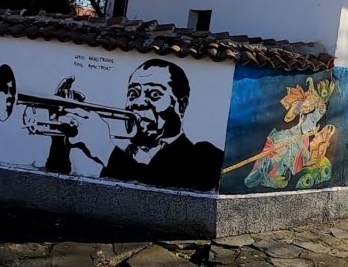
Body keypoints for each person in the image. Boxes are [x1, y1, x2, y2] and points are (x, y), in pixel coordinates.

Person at [50, 58, 224, 191]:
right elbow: (55, 192)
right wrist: (61, 137)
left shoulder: (205, 157)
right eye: (133, 94)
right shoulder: (125, 153)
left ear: (182, 105)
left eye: (154, 94)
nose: (138, 103)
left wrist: (103, 148)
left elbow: (156, 193)